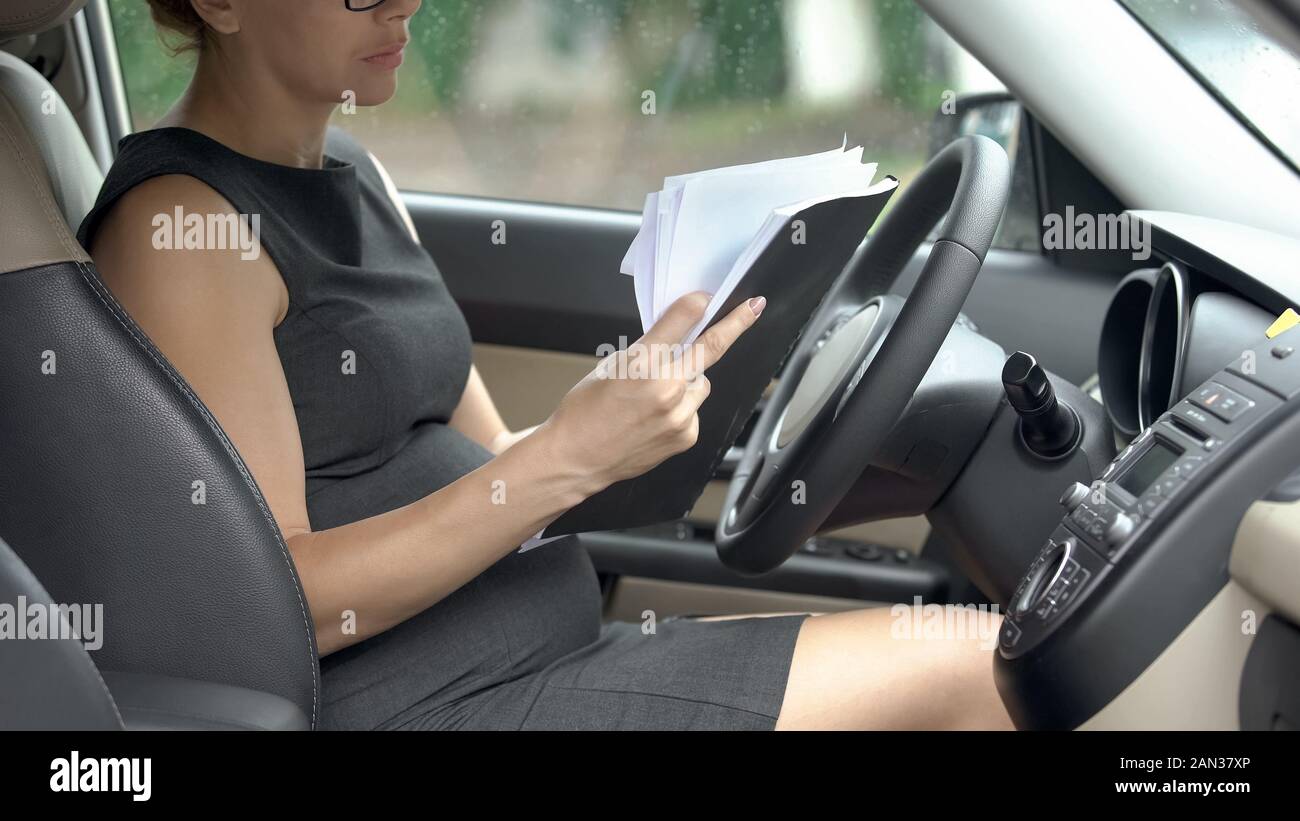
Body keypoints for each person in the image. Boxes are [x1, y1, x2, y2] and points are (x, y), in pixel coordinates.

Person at [79, 0, 1013, 730]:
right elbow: (274, 603)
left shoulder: (353, 170)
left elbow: (493, 464)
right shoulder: (184, 235)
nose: (403, 8)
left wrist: (623, 418)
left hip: (550, 663)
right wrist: (566, 453)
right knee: (985, 670)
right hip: (427, 707)